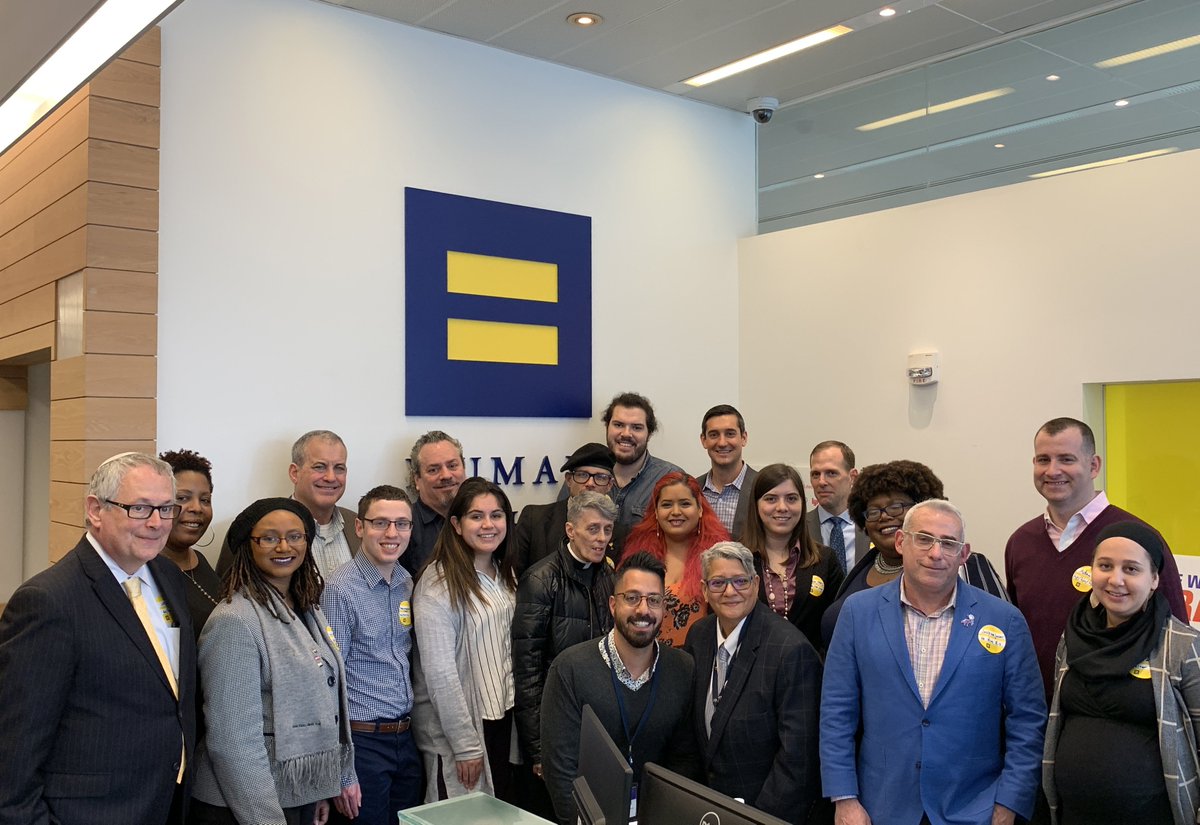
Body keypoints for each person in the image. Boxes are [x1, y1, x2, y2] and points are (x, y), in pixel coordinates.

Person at [820, 500, 1046, 825]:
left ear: (964, 554)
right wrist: (844, 798)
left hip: (975, 808)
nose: (936, 553)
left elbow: (1027, 720)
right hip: (879, 807)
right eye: (924, 539)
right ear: (901, 542)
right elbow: (836, 712)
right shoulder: (857, 613)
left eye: (948, 543)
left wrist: (1008, 803)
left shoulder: (1004, 620)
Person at [0, 452, 196, 825]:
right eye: (140, 508)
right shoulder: (49, 600)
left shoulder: (167, 576)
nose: (156, 523)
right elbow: (13, 754)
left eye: (166, 508)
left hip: (164, 801)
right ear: (95, 510)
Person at [190, 497, 357, 825]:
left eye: (295, 536)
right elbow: (233, 741)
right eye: (268, 538)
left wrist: (313, 790)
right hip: (242, 805)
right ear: (247, 546)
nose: (284, 546)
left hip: (290, 794)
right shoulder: (234, 621)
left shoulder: (306, 607)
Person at [1005, 417, 1187, 699]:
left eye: (1066, 459)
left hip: (1111, 713)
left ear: (1093, 466)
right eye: (1043, 460)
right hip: (1036, 710)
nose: (1052, 470)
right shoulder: (1021, 542)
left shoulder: (1139, 539)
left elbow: (1177, 638)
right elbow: (1017, 633)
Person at [1043, 521, 1200, 825]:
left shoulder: (1182, 645)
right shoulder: (1072, 637)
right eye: (1105, 566)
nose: (1115, 579)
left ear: (1154, 579)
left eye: (1131, 569)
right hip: (1073, 814)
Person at [540, 551, 699, 825]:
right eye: (632, 598)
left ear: (664, 608)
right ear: (613, 605)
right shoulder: (570, 668)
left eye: (653, 600)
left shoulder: (683, 669)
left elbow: (684, 760)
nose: (643, 610)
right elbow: (561, 770)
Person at [684, 542, 823, 824]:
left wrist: (755, 820)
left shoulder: (791, 651)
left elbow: (799, 761)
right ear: (704, 589)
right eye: (718, 583)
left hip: (763, 814)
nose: (730, 591)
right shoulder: (698, 636)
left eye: (740, 581)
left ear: (756, 584)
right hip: (707, 808)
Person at [820, 460, 1007, 648]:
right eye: (874, 511)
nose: (884, 516)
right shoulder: (860, 569)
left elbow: (1002, 627)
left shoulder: (965, 565)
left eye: (896, 507)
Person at [411, 478, 518, 803]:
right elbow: (440, 673)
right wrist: (465, 745)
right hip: (462, 730)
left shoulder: (505, 573)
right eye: (476, 516)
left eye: (496, 515)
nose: (488, 525)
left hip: (503, 721)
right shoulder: (438, 582)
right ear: (456, 525)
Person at [512, 491, 618, 818]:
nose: (601, 538)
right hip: (556, 725)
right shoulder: (540, 580)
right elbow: (527, 671)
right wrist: (538, 750)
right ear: (571, 530)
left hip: (599, 723)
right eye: (593, 529)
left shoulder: (609, 576)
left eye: (607, 530)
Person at [322, 485, 422, 825]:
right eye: (380, 523)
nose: (392, 533)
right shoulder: (339, 589)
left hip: (404, 738)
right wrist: (342, 769)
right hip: (362, 742)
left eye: (402, 523)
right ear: (360, 527)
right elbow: (329, 683)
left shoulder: (406, 582)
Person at [216, 430, 359, 578]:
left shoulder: (360, 526)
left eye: (339, 468)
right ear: (294, 473)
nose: (331, 477)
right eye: (319, 467)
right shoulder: (253, 529)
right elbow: (228, 586)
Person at [620, 471, 729, 647]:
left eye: (685, 504)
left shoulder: (719, 558)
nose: (676, 512)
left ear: (700, 509)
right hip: (643, 655)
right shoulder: (636, 555)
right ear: (656, 512)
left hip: (699, 657)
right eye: (667, 505)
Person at [741, 463, 843, 652]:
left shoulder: (825, 560)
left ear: (802, 504)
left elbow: (836, 628)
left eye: (791, 498)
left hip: (809, 667)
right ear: (756, 504)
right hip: (751, 666)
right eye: (771, 499)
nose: (782, 507)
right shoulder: (737, 559)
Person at [511, 442, 616, 578]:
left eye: (600, 477)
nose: (590, 483)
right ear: (568, 480)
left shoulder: (620, 532)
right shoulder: (534, 520)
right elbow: (513, 577)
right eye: (582, 475)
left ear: (610, 485)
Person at [602, 392, 683, 549]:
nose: (626, 434)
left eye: (636, 427)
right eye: (618, 425)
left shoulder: (672, 479)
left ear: (649, 434)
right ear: (607, 427)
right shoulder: (584, 477)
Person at [159, 448, 221, 637]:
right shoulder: (146, 571)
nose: (197, 508)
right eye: (182, 498)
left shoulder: (200, 560)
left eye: (205, 500)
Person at [404, 430, 468, 576]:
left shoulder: (481, 519)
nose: (446, 475)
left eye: (452, 466)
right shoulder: (403, 526)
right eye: (433, 470)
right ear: (417, 480)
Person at [695, 404, 758, 539]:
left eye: (730, 434)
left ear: (744, 438)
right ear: (703, 440)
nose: (722, 443)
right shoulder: (692, 490)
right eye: (714, 435)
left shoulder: (763, 488)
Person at [806, 441, 867, 573]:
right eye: (816, 474)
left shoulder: (872, 525)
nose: (821, 482)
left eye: (831, 473)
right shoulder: (798, 528)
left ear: (852, 477)